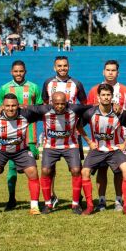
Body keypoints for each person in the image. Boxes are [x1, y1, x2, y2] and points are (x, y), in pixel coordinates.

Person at [0, 94, 46, 216]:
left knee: (33, 171)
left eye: (14, 105)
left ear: (18, 106)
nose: (11, 109)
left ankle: (35, 206)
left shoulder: (26, 114)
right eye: (8, 106)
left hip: (21, 150)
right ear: (2, 106)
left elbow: (44, 111)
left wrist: (28, 106)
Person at [79, 84, 126, 215]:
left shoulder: (119, 113)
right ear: (98, 97)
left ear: (112, 96)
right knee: (85, 172)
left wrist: (125, 143)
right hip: (97, 149)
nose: (106, 97)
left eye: (108, 95)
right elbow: (79, 127)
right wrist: (89, 142)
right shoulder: (90, 112)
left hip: (115, 149)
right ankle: (91, 205)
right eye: (103, 95)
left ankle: (124, 204)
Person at [0, 60, 43, 210]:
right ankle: (11, 199)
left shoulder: (34, 87)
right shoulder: (4, 88)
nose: (18, 74)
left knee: (32, 169)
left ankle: (34, 202)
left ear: (25, 71)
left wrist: (28, 107)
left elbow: (40, 108)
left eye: (21, 71)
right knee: (11, 169)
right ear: (11, 72)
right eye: (16, 71)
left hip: (29, 135)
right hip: (10, 136)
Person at [42, 55, 88, 204]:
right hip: (52, 133)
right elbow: (44, 104)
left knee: (76, 168)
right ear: (54, 67)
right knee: (49, 168)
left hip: (71, 133)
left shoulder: (77, 83)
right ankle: (52, 195)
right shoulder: (48, 83)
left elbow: (84, 106)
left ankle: (77, 197)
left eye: (65, 66)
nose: (62, 68)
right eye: (59, 66)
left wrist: (78, 124)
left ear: (69, 67)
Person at [37, 92, 90, 215]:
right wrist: (1, 108)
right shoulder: (44, 110)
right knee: (45, 171)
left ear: (66, 102)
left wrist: (114, 106)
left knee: (76, 170)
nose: (60, 106)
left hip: (70, 145)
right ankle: (47, 204)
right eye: (57, 104)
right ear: (52, 103)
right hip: (51, 146)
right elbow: (25, 109)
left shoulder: (74, 109)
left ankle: (76, 204)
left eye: (62, 104)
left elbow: (92, 107)